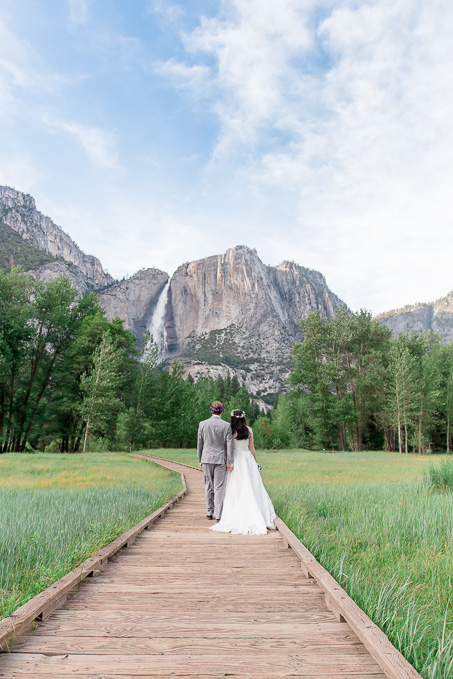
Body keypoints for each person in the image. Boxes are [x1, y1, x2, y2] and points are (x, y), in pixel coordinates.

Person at [211, 409, 276, 535]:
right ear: (243, 418)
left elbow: (227, 448)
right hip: (247, 459)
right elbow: (252, 448)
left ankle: (234, 512)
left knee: (235, 487)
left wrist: (227, 462)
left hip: (235, 458)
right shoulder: (249, 430)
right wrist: (255, 463)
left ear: (232, 418)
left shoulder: (229, 430)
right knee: (251, 486)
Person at [197, 401, 233, 521]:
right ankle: (218, 514)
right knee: (219, 487)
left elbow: (200, 443)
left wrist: (200, 459)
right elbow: (229, 445)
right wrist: (230, 461)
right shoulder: (227, 426)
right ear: (222, 411)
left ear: (210, 410)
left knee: (208, 485)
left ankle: (208, 512)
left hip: (206, 458)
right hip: (220, 458)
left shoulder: (202, 424)